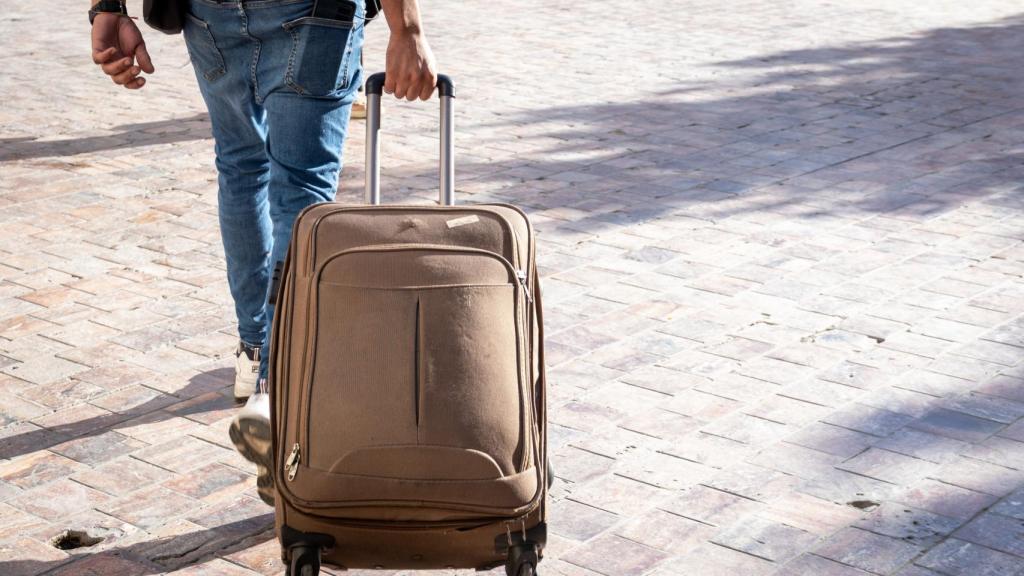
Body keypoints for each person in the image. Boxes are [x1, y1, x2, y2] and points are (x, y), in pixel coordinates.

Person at [90, 0, 438, 504]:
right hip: (311, 11)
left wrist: (107, 7)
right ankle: (282, 389)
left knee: (241, 168)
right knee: (300, 192)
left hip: (210, 14)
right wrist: (406, 27)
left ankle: (257, 354)